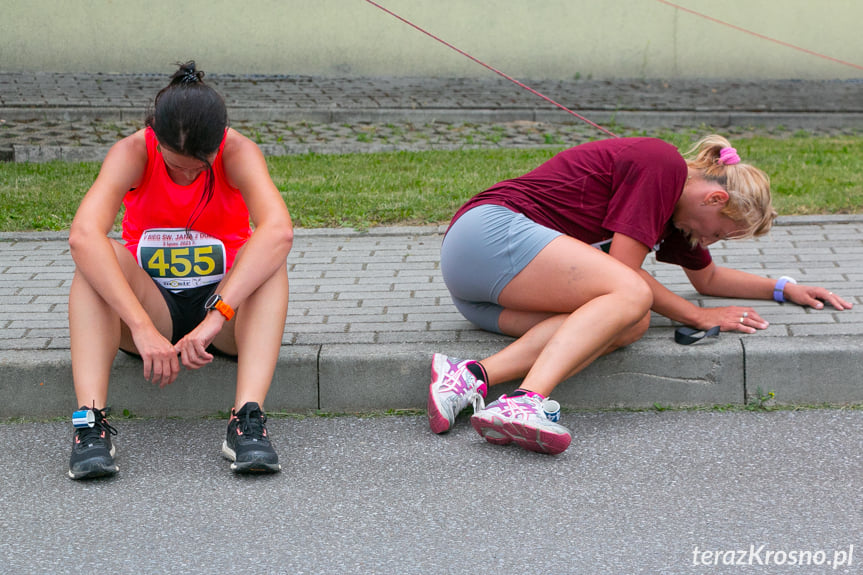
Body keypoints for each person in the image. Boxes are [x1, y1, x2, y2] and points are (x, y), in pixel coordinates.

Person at [428, 135, 853, 455]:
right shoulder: (662, 165)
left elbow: (709, 280)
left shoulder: (679, 217)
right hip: (488, 235)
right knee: (632, 295)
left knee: (630, 322)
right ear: (716, 197)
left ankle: (468, 377)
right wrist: (697, 316)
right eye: (719, 231)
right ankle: (524, 402)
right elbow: (625, 274)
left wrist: (783, 289)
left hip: (482, 293)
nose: (709, 240)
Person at [66, 61, 294, 479]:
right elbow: (82, 235)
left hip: (225, 312)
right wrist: (140, 327)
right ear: (156, 136)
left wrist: (214, 319)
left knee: (269, 259)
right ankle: (90, 425)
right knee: (94, 260)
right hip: (152, 308)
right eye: (176, 166)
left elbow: (279, 231)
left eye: (199, 167)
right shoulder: (132, 151)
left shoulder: (239, 151)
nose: (188, 175)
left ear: (219, 143)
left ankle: (246, 420)